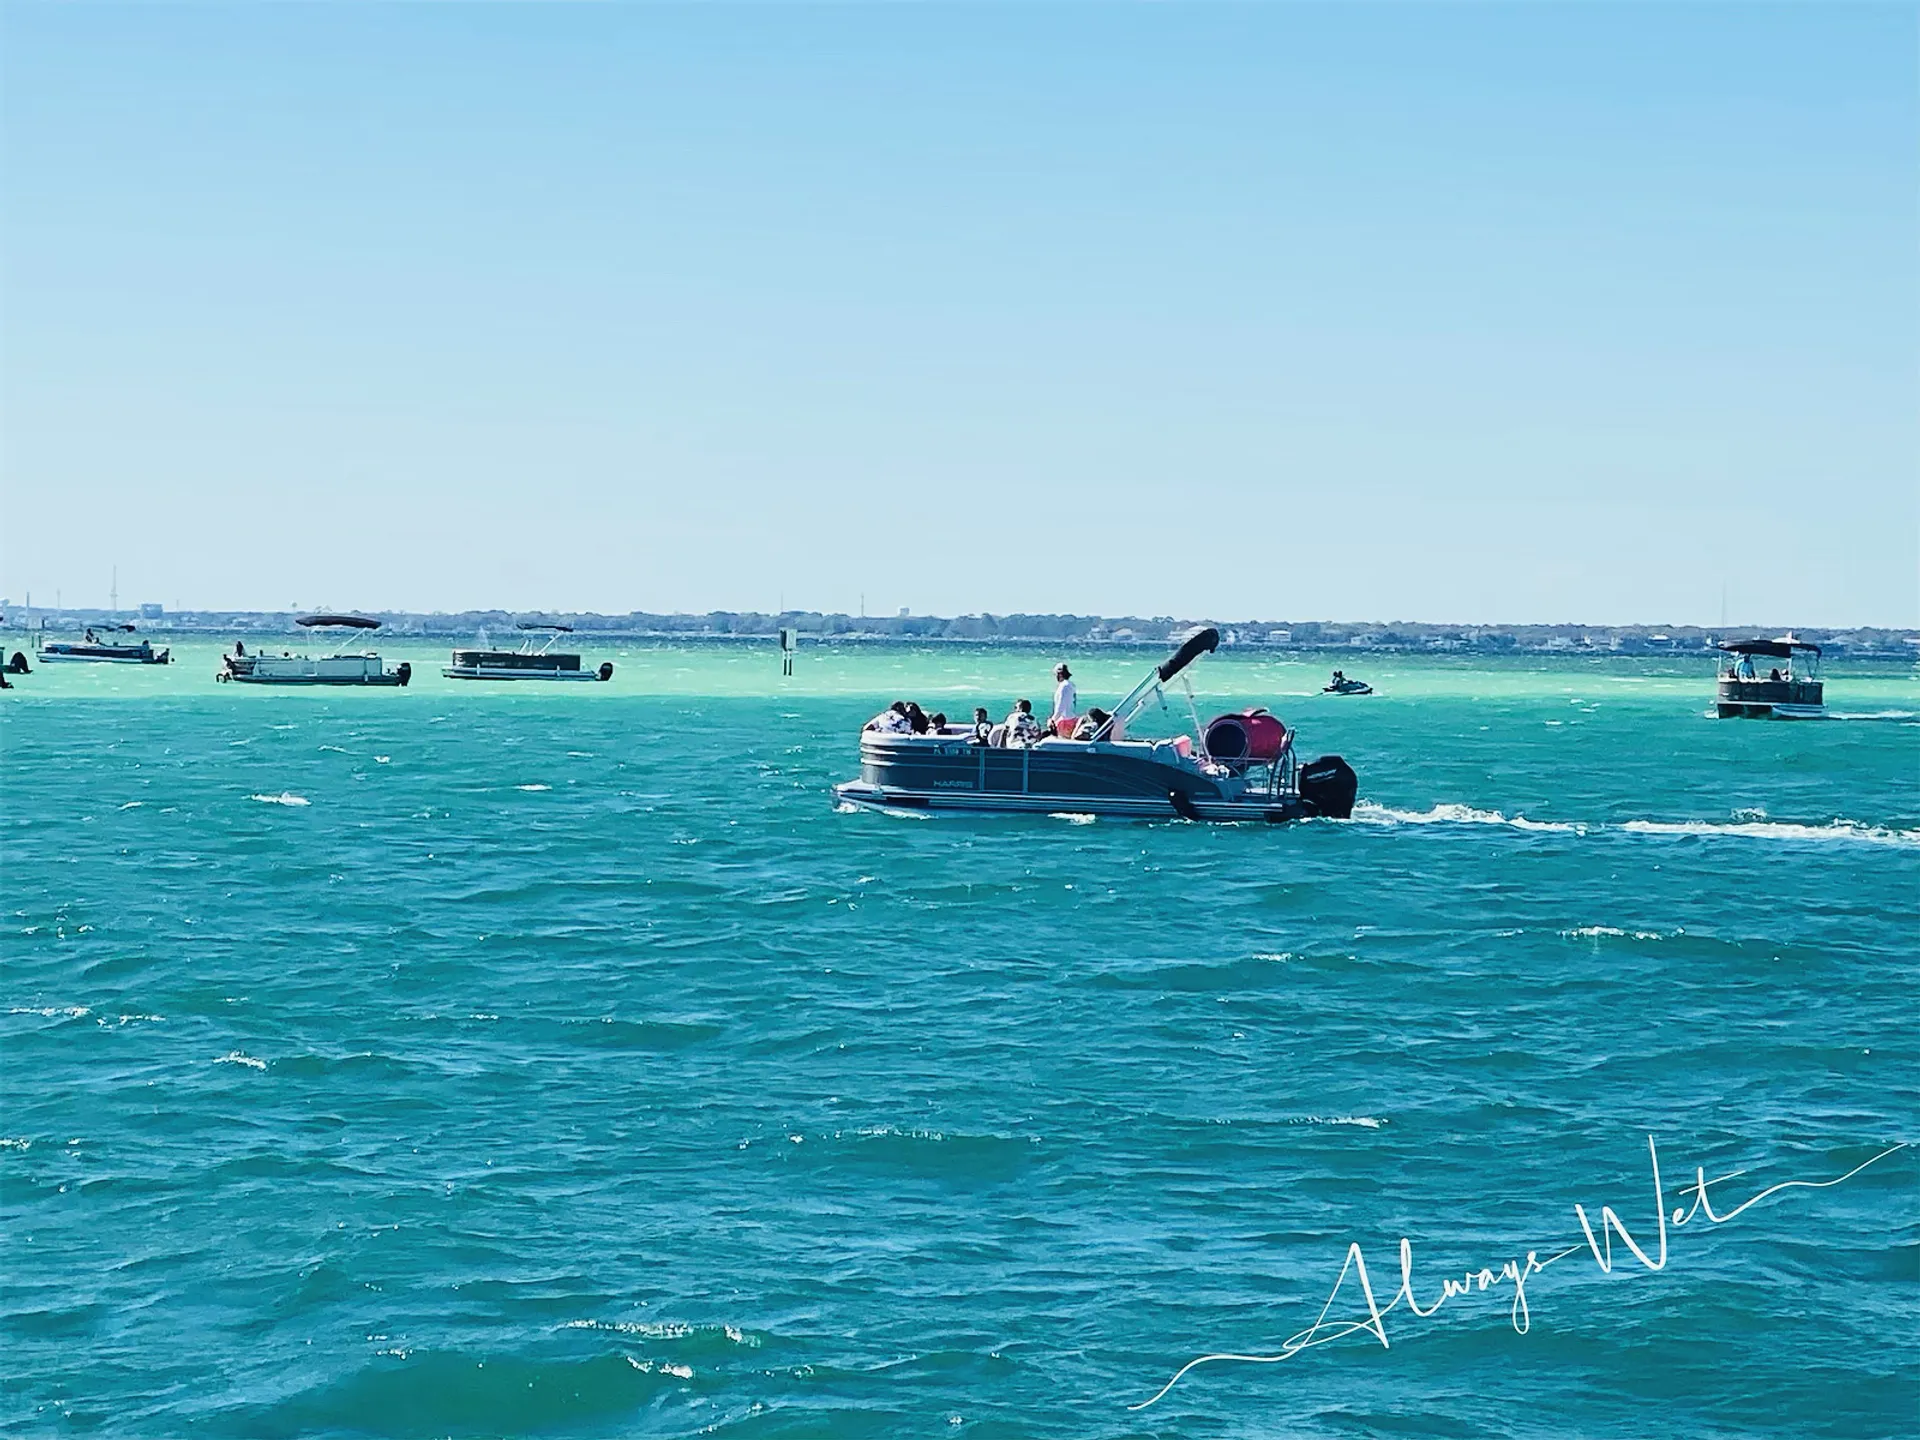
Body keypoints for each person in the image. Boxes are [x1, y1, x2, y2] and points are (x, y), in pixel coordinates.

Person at [1051, 664, 1077, 730]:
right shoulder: (1070, 685)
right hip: (1071, 718)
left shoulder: (1064, 686)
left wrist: (1053, 720)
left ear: (1059, 674)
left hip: (1064, 721)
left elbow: (1060, 706)